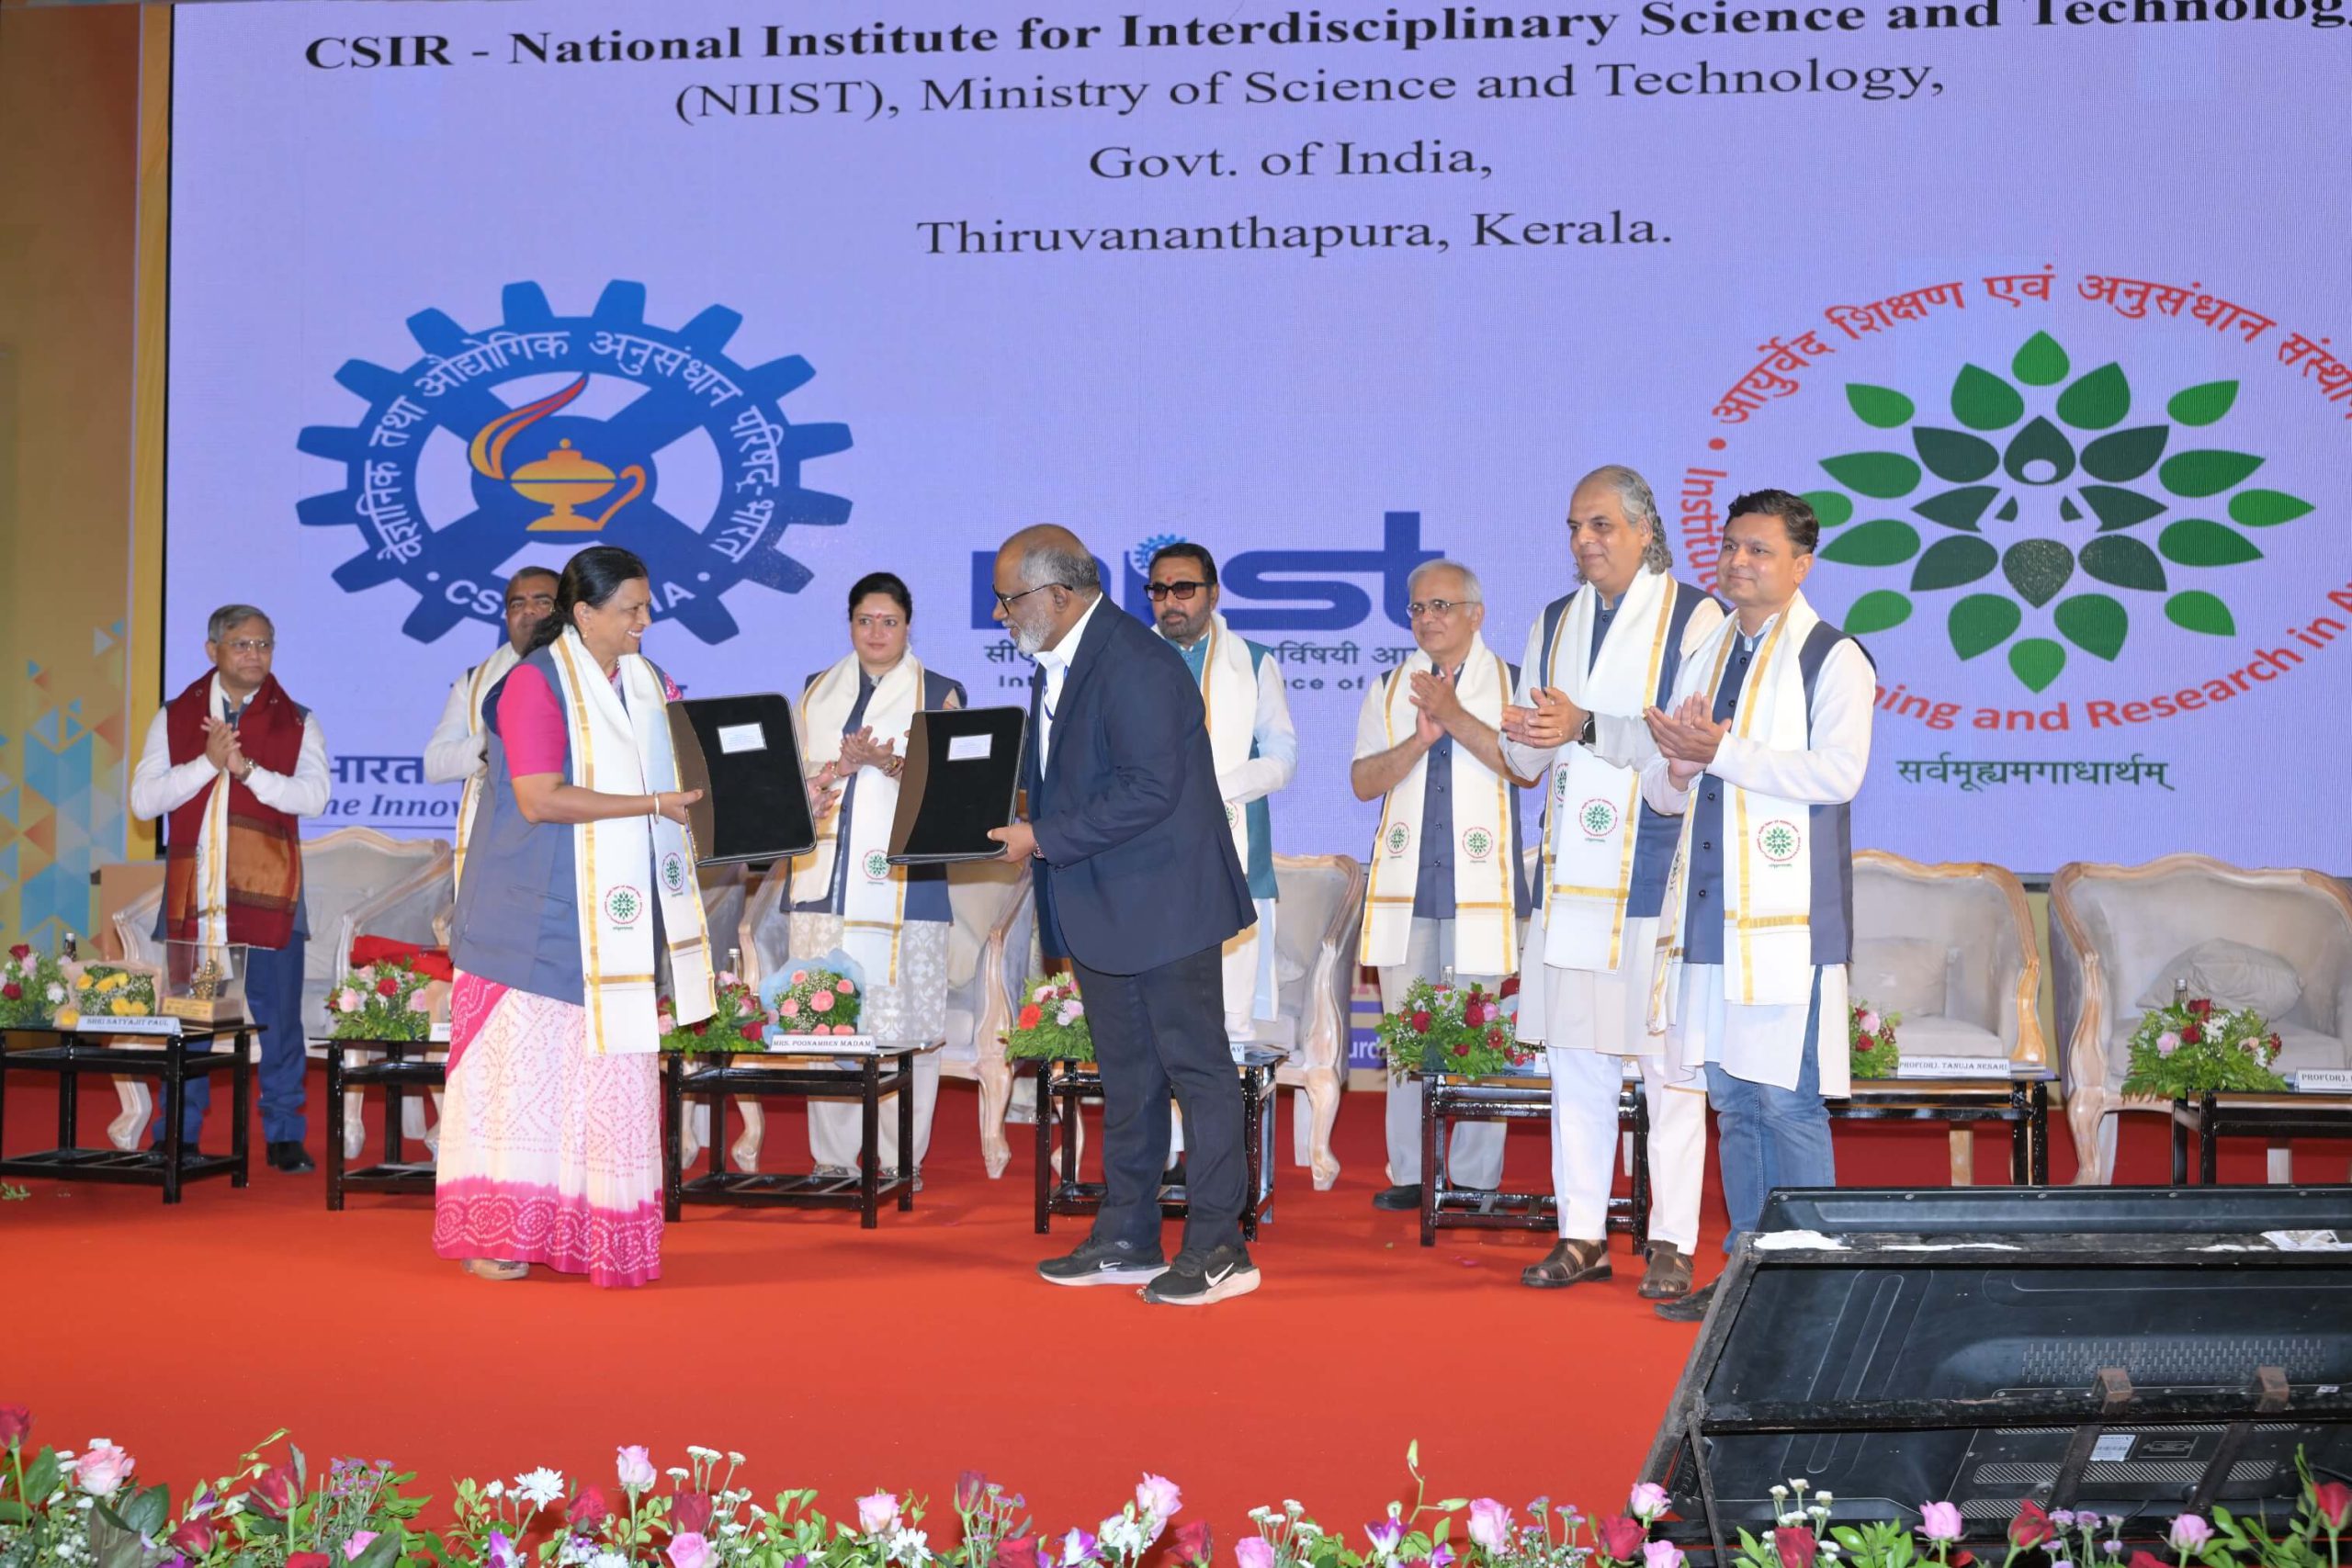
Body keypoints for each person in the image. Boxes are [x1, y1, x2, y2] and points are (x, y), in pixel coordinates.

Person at [985, 524, 1260, 1306]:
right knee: (1130, 1076)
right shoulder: (1061, 661)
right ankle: (1130, 1233)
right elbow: (1071, 778)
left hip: (1166, 902)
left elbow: (1149, 788)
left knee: (1197, 1073)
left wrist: (1043, 836)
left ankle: (1220, 1247)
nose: (1001, 614)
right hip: (1104, 901)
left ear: (1057, 595)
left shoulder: (1136, 661)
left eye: (1009, 599)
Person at [432, 546, 715, 1286]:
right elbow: (538, 798)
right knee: (520, 1090)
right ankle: (499, 1233)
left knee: (605, 1086)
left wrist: (803, 790)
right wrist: (651, 804)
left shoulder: (649, 683)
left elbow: (694, 776)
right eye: (631, 608)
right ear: (584, 613)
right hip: (526, 923)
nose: (645, 621)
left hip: (613, 923)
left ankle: (596, 1234)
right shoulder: (532, 682)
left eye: (647, 606)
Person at [1638, 491, 1874, 1323]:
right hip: (1708, 918)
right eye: (1731, 545)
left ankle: (1811, 1287)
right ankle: (1746, 1273)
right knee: (1734, 1105)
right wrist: (1677, 767)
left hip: (1784, 923)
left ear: (1801, 565)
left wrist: (1722, 750)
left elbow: (1839, 773)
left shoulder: (1833, 656)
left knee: (1786, 1100)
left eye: (1760, 550)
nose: (1739, 561)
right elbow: (1665, 789)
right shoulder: (1705, 650)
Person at [1498, 466, 1724, 1299]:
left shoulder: (1696, 617)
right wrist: (1521, 734)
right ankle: (1582, 1233)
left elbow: (1687, 743)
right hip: (1572, 876)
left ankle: (1672, 1239)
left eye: (1600, 525)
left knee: (1669, 1068)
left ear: (1644, 530)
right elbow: (1526, 758)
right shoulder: (1553, 620)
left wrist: (1585, 724)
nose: (1583, 541)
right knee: (1578, 1063)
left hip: (1660, 871)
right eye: (1574, 526)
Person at [1351, 560, 1534, 1212]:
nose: (1427, 617)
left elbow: (1524, 769)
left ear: (1476, 614)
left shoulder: (1514, 683)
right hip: (1408, 893)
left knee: (1481, 1035)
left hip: (1483, 891)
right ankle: (1412, 1171)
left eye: (1442, 605)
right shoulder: (1389, 686)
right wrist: (1419, 740)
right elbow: (1364, 781)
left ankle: (1476, 1178)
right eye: (1418, 607)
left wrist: (1454, 715)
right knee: (1410, 1035)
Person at [130, 605, 333, 1171]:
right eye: (242, 644)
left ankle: (285, 1134)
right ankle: (179, 1132)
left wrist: (246, 772)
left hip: (270, 893)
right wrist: (207, 763)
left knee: (280, 1018)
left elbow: (314, 797)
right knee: (193, 1015)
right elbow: (144, 801)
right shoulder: (175, 717)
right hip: (197, 899)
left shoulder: (298, 720)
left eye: (264, 644)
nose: (254, 654)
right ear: (212, 649)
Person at [788, 570, 967, 1179]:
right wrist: (836, 768)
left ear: (908, 626)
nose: (876, 632)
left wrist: (887, 762)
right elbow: (791, 784)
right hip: (825, 884)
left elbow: (953, 793)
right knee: (821, 1016)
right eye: (865, 620)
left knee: (907, 1023)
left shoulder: (940, 692)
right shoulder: (815, 691)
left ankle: (899, 1158)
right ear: (850, 624)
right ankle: (833, 1159)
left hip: (908, 888)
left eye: (889, 621)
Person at [1146, 543, 1296, 1168]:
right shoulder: (1131, 660)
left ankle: (1224, 1165)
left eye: (1184, 588)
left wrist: (1212, 785)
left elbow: (1282, 758)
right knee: (1157, 1024)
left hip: (1232, 864)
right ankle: (1166, 1158)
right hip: (1146, 872)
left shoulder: (1252, 662)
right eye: (1159, 590)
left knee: (1230, 1024)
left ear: (1212, 593)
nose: (1171, 601)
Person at [424, 566, 560, 886]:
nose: (528, 610)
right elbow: (435, 764)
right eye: (517, 603)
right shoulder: (475, 681)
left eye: (542, 601)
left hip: (564, 841)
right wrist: (496, 739)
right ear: (506, 617)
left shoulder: (591, 674)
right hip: (496, 850)